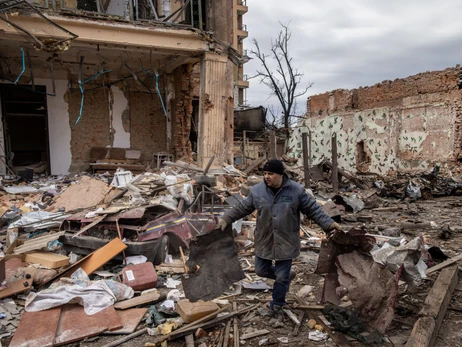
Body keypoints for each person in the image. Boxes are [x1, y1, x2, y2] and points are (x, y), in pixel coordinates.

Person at [218, 159, 340, 314]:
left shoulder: (296, 191)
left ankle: (277, 303)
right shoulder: (257, 191)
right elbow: (242, 207)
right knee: (261, 270)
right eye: (265, 173)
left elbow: (313, 209)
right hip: (265, 239)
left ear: (281, 174)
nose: (267, 176)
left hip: (286, 240)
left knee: (281, 277)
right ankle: (289, 275)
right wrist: (226, 218)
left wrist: (329, 224)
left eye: (271, 173)